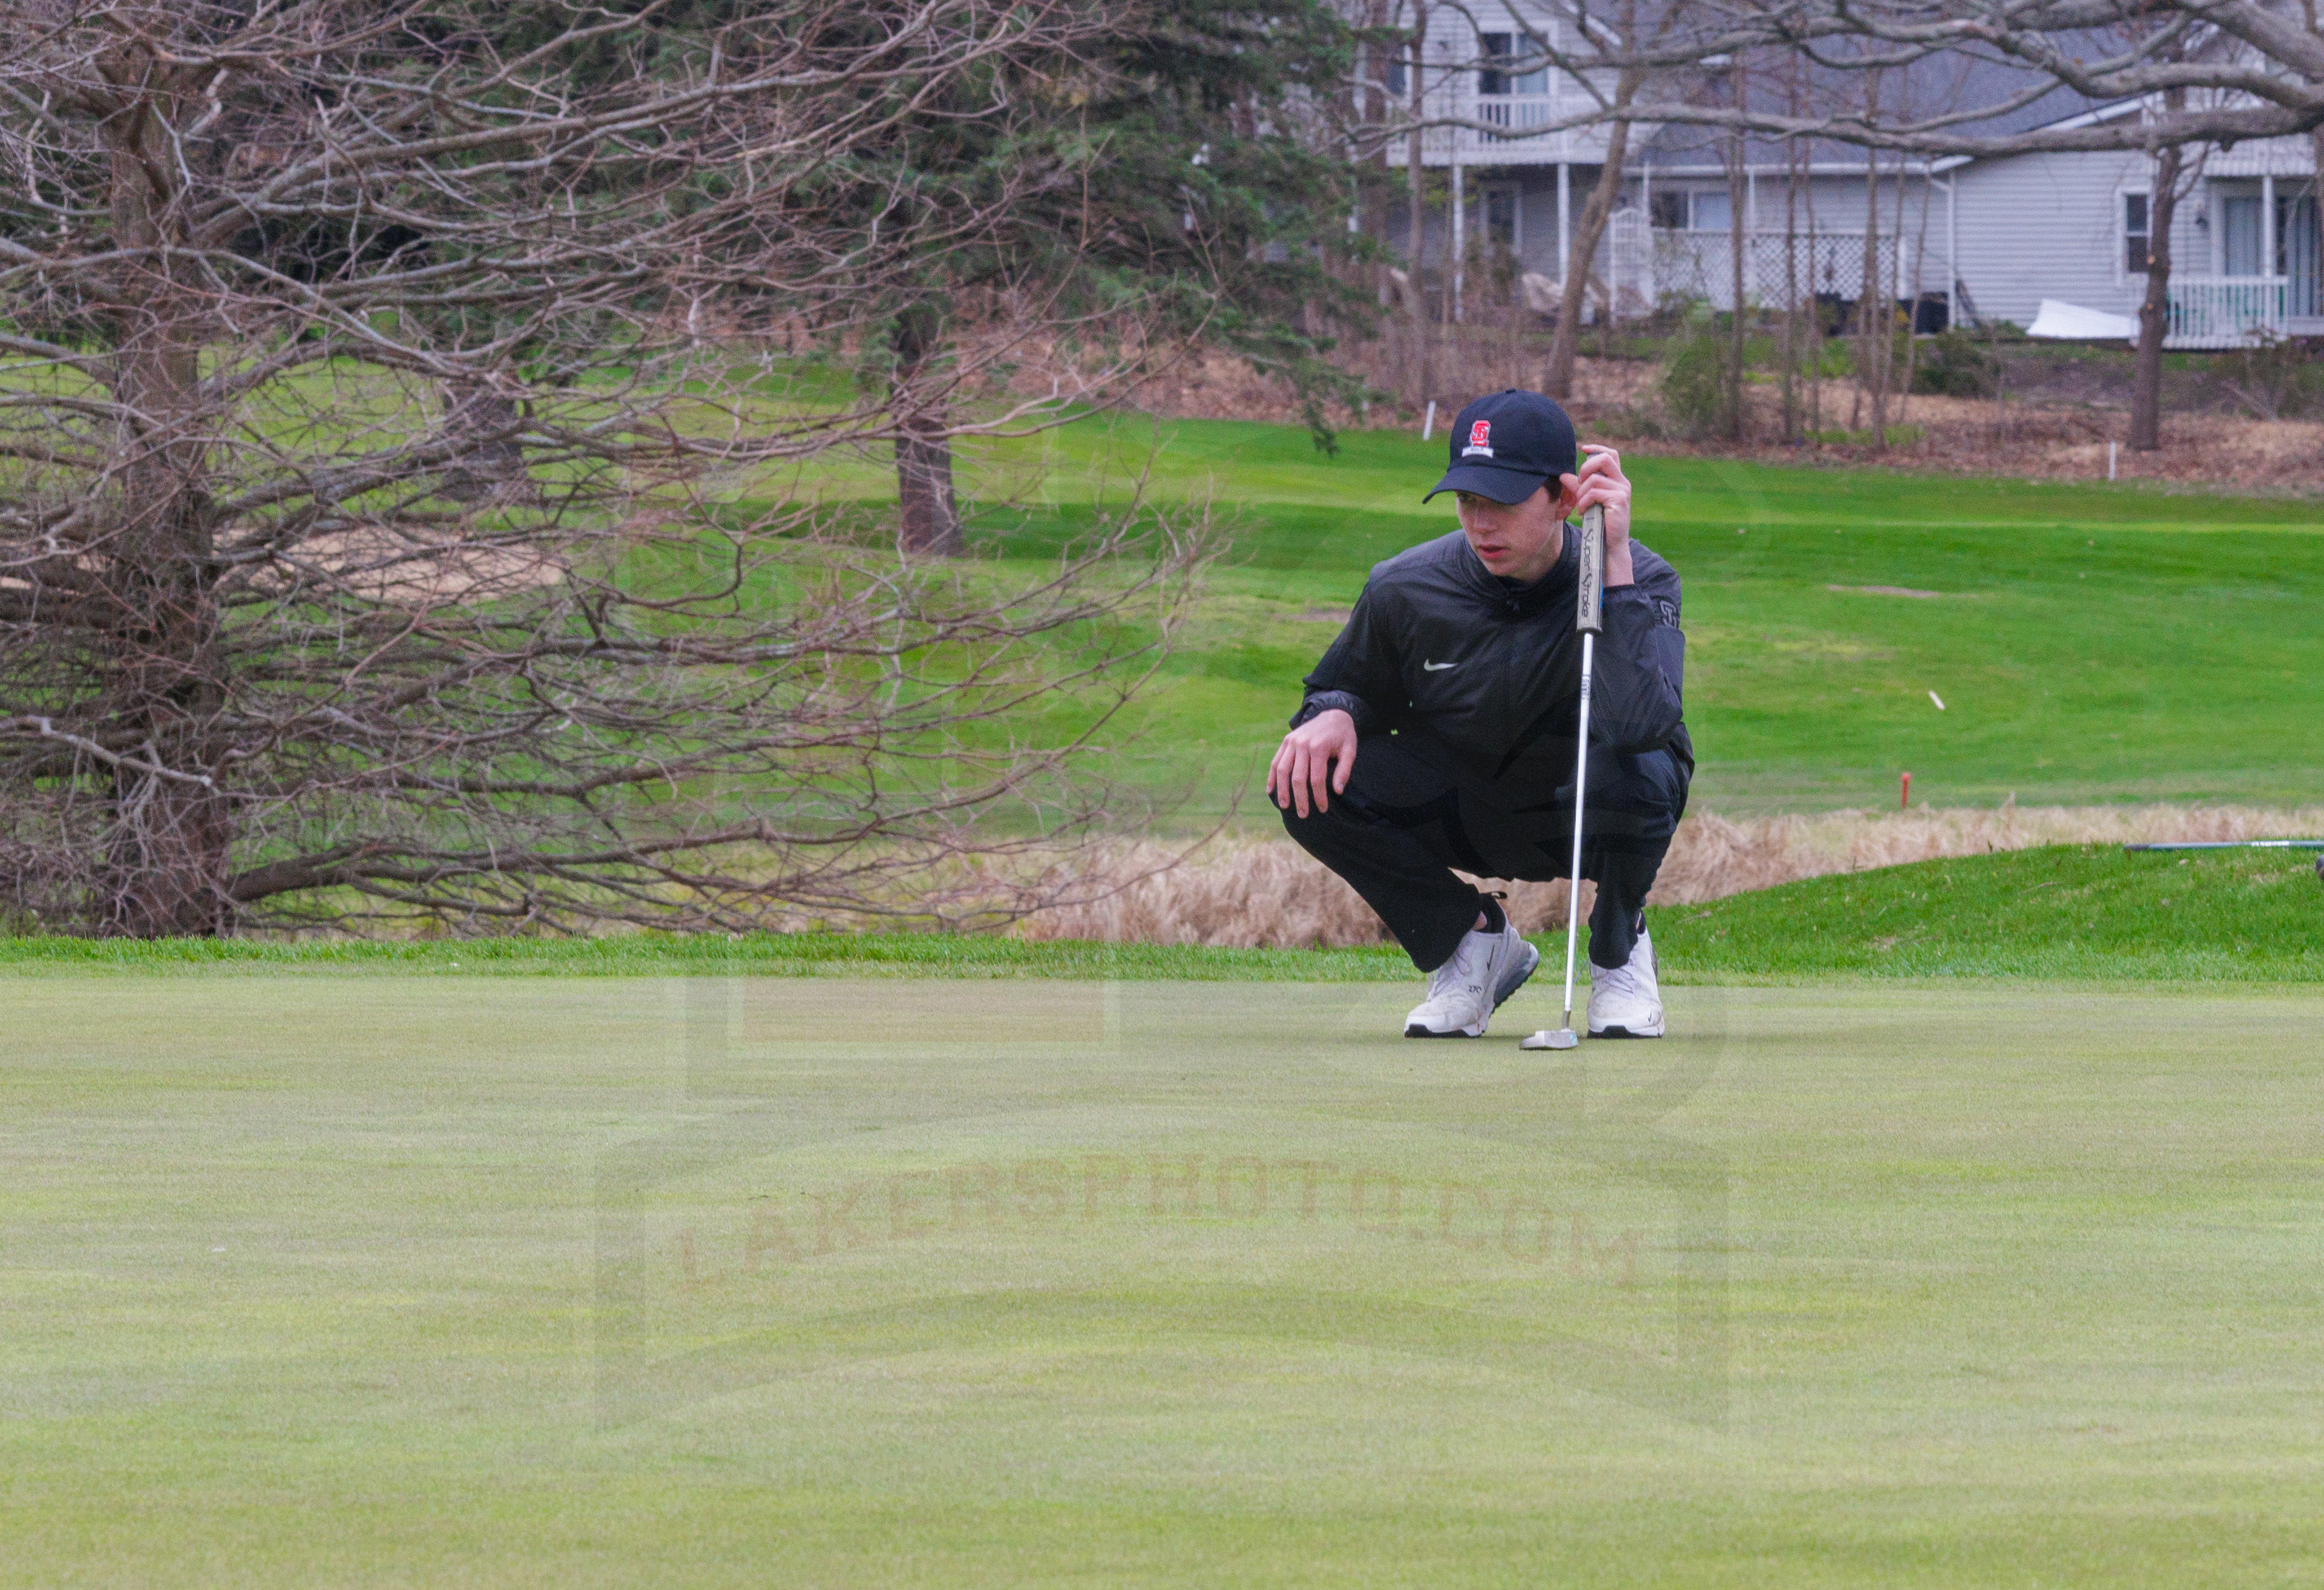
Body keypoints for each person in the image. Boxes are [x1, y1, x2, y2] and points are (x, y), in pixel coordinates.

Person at [1268, 389, 1690, 1040]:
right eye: (1468, 500)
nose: (1481, 523)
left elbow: (1641, 724)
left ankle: (1618, 948)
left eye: (1503, 502)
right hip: (1467, 806)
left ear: (1564, 498)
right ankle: (1470, 940)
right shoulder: (1403, 587)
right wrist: (1336, 710)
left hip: (1587, 810)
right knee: (1307, 777)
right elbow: (1344, 686)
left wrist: (1613, 566)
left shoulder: (1640, 577)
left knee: (1643, 764)